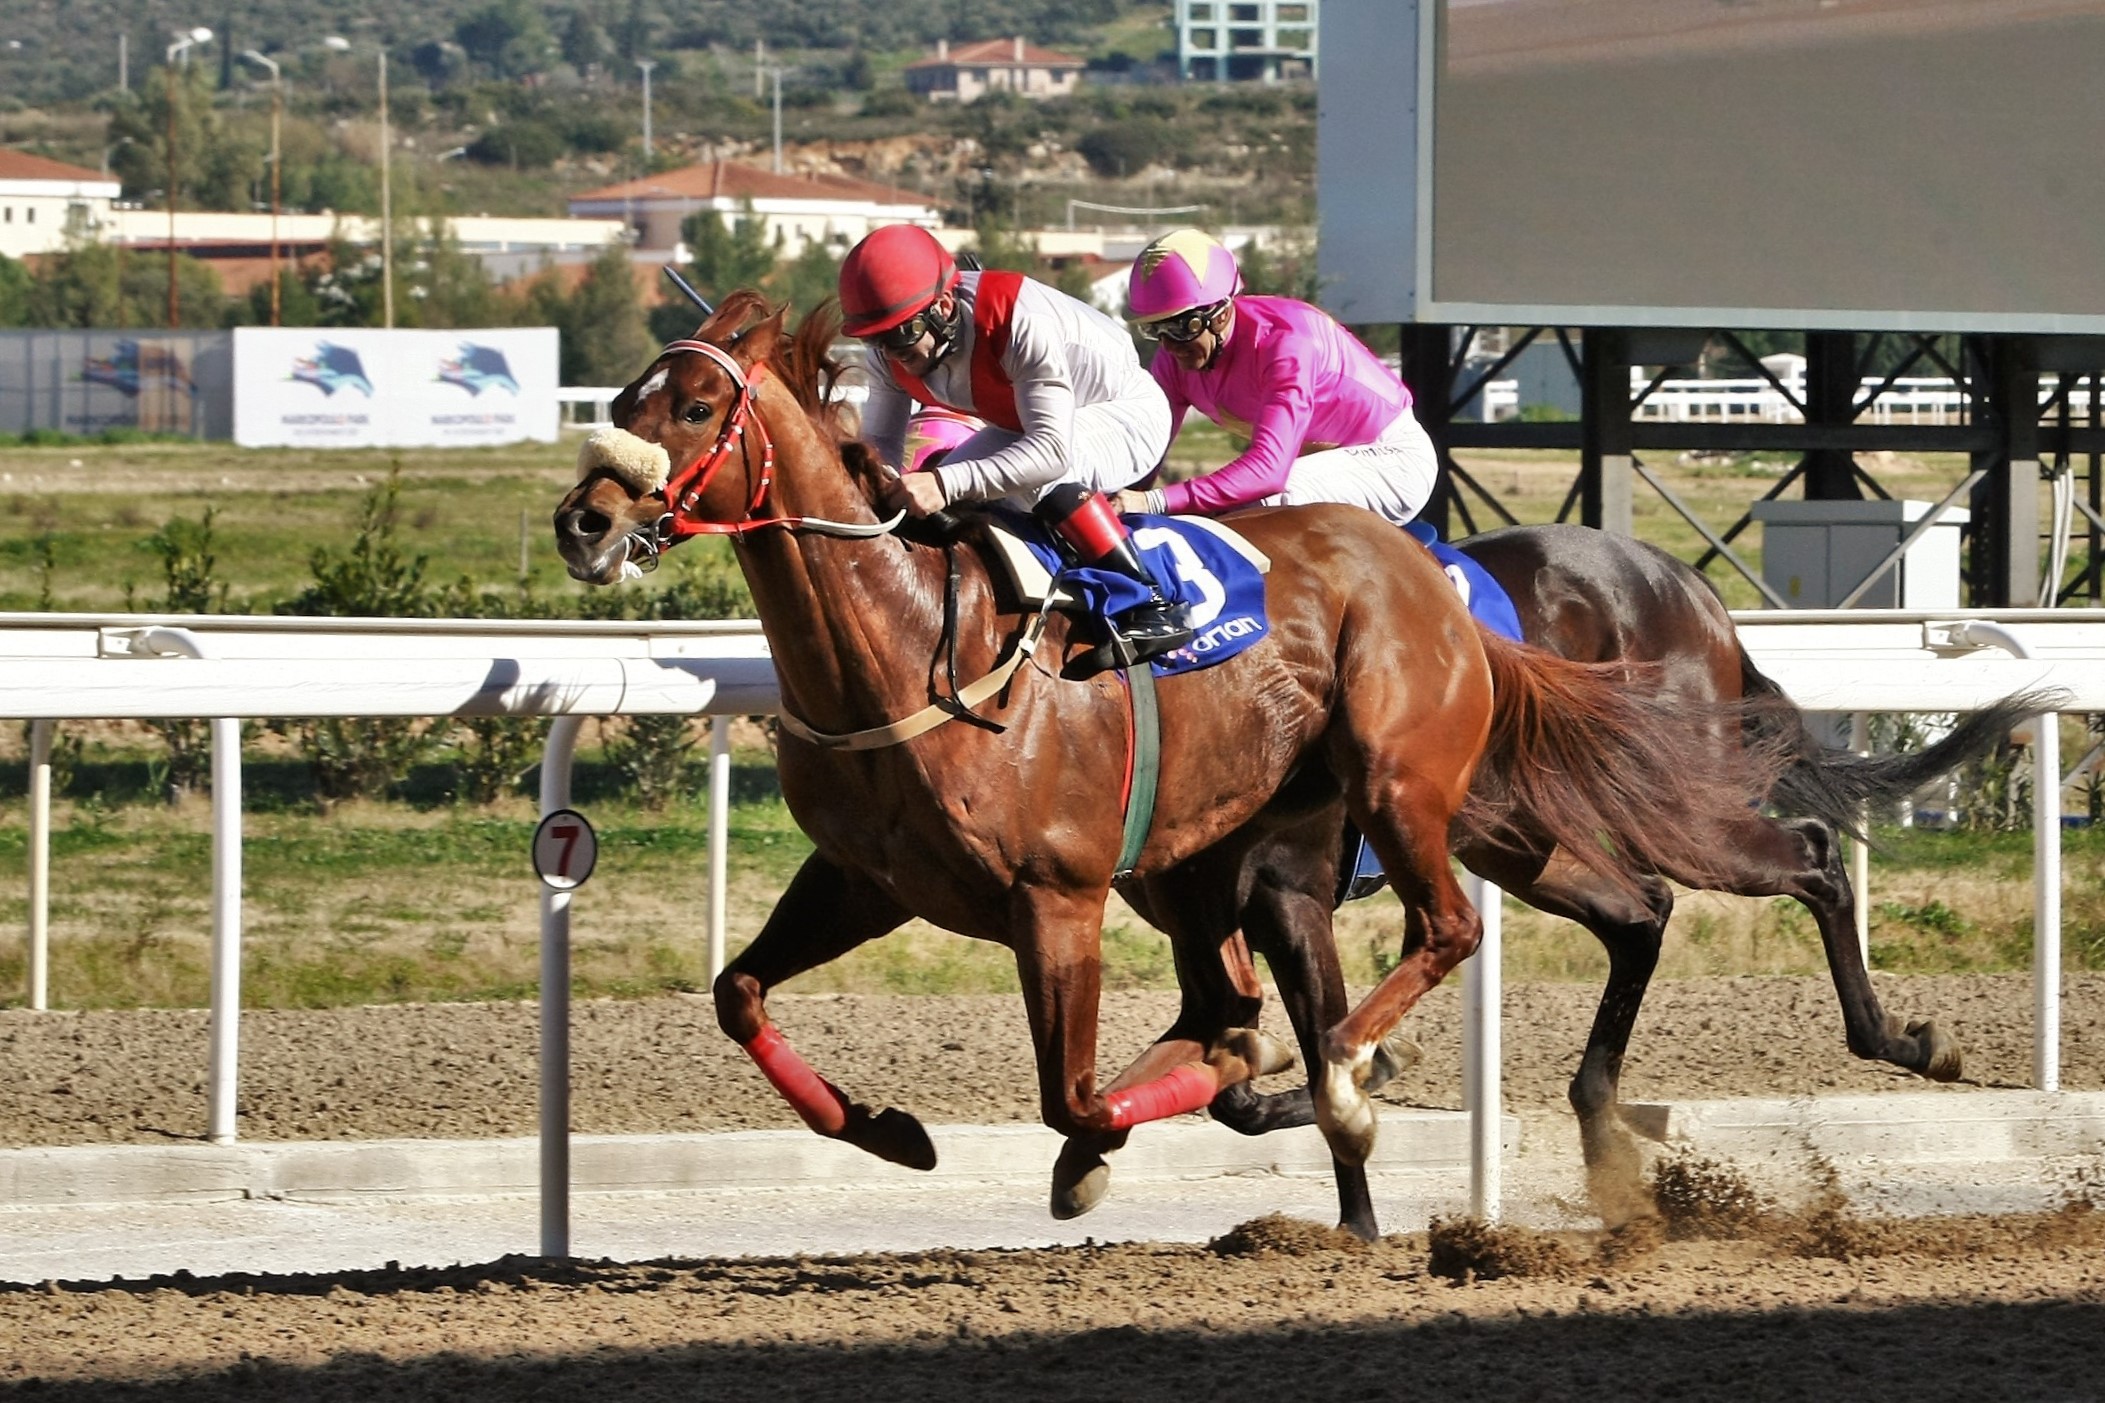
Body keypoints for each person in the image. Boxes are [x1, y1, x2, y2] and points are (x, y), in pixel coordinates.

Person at [838, 223, 1191, 668]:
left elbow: (1049, 452)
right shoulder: (893, 346)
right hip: (1030, 424)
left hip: (1126, 413)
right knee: (934, 508)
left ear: (944, 306)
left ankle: (1152, 600)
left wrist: (945, 483)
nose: (889, 353)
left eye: (899, 336)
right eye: (875, 340)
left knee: (1034, 478)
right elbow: (881, 445)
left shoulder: (1020, 319)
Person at [1113, 228, 1439, 530]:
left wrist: (1153, 501)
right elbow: (1144, 454)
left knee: (1254, 505)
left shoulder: (1286, 344)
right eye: (1155, 330)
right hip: (1313, 465)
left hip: (1392, 459)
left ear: (1222, 313)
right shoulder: (1174, 359)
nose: (1169, 346)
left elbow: (1268, 472)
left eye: (1181, 327)